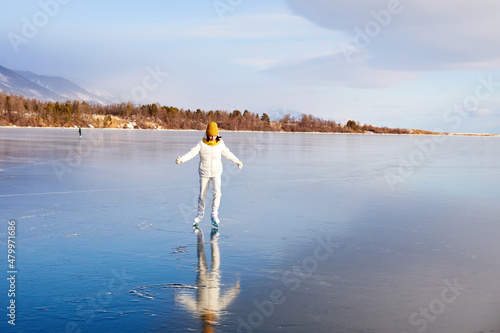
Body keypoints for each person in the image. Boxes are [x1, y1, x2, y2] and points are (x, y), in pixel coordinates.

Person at [176, 122, 243, 227]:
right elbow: (192, 152)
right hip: (204, 172)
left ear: (217, 134)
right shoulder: (202, 143)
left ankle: (214, 214)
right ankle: (200, 213)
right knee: (202, 194)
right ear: (207, 134)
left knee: (217, 193)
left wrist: (237, 161)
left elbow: (228, 153)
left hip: (216, 172)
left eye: (214, 135)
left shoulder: (220, 143)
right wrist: (182, 159)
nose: (212, 138)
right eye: (210, 135)